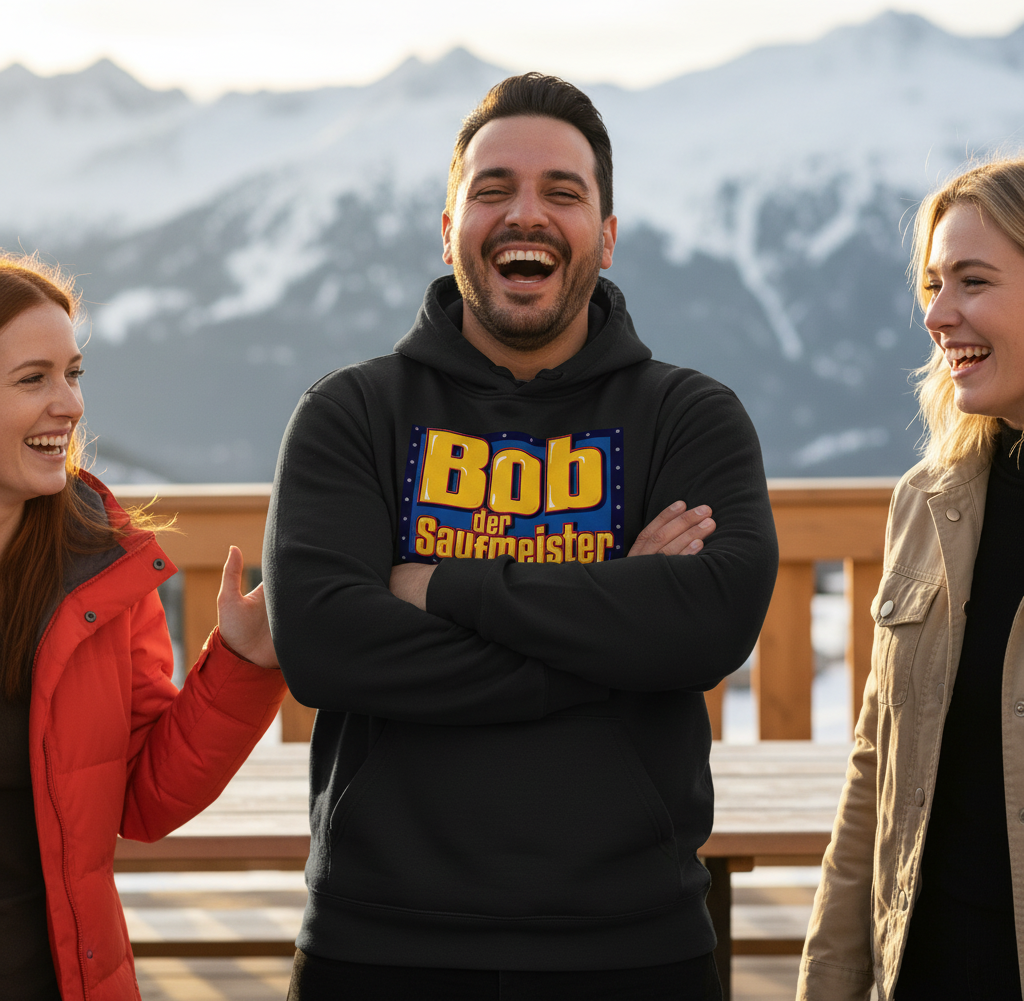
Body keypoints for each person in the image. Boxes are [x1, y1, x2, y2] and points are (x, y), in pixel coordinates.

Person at [265, 73, 778, 1001]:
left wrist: (443, 590)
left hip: (632, 940)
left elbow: (708, 624)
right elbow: (325, 646)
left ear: (608, 238)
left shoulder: (688, 416)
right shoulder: (353, 413)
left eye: (563, 192)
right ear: (449, 225)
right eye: (493, 189)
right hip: (377, 940)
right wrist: (617, 630)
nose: (524, 214)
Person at [0, 255, 288, 1001]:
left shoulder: (101, 572)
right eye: (33, 379)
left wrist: (244, 665)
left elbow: (144, 799)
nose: (69, 406)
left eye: (74, 374)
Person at [798, 158, 1024, 1001]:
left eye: (972, 280)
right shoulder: (925, 505)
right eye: (931, 284)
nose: (936, 314)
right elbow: (875, 770)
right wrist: (827, 981)